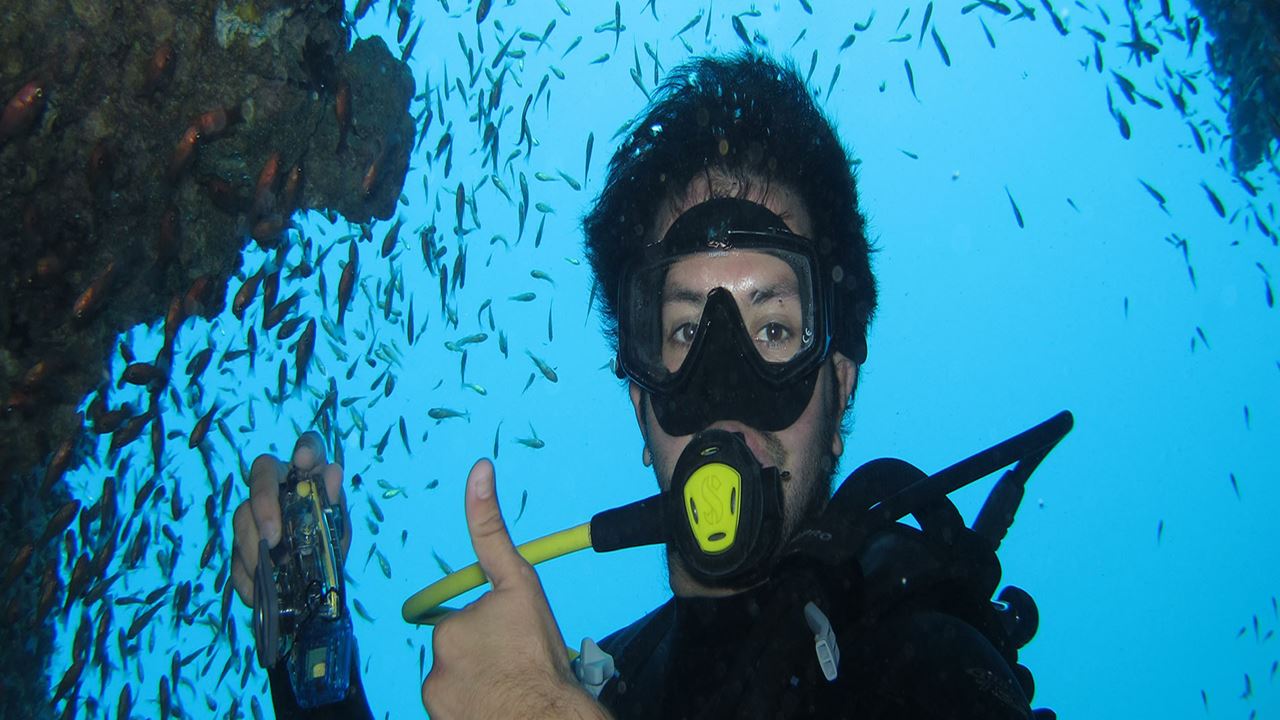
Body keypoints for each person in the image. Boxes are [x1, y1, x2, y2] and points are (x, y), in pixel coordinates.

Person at [231, 52, 1051, 719]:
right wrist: (310, 652)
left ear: (836, 392)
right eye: (688, 332)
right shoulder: (606, 678)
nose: (726, 391)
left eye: (772, 330)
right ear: (641, 404)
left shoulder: (923, 668)